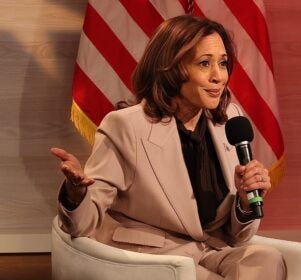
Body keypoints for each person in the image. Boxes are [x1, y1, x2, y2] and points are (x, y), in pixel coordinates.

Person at [51, 15, 286, 280]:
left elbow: (239, 236)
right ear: (172, 68)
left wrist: (244, 202)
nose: (218, 76)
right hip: (152, 257)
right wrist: (76, 192)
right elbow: (82, 224)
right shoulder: (126, 126)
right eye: (204, 63)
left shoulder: (229, 119)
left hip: (208, 250)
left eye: (222, 63)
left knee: (265, 259)